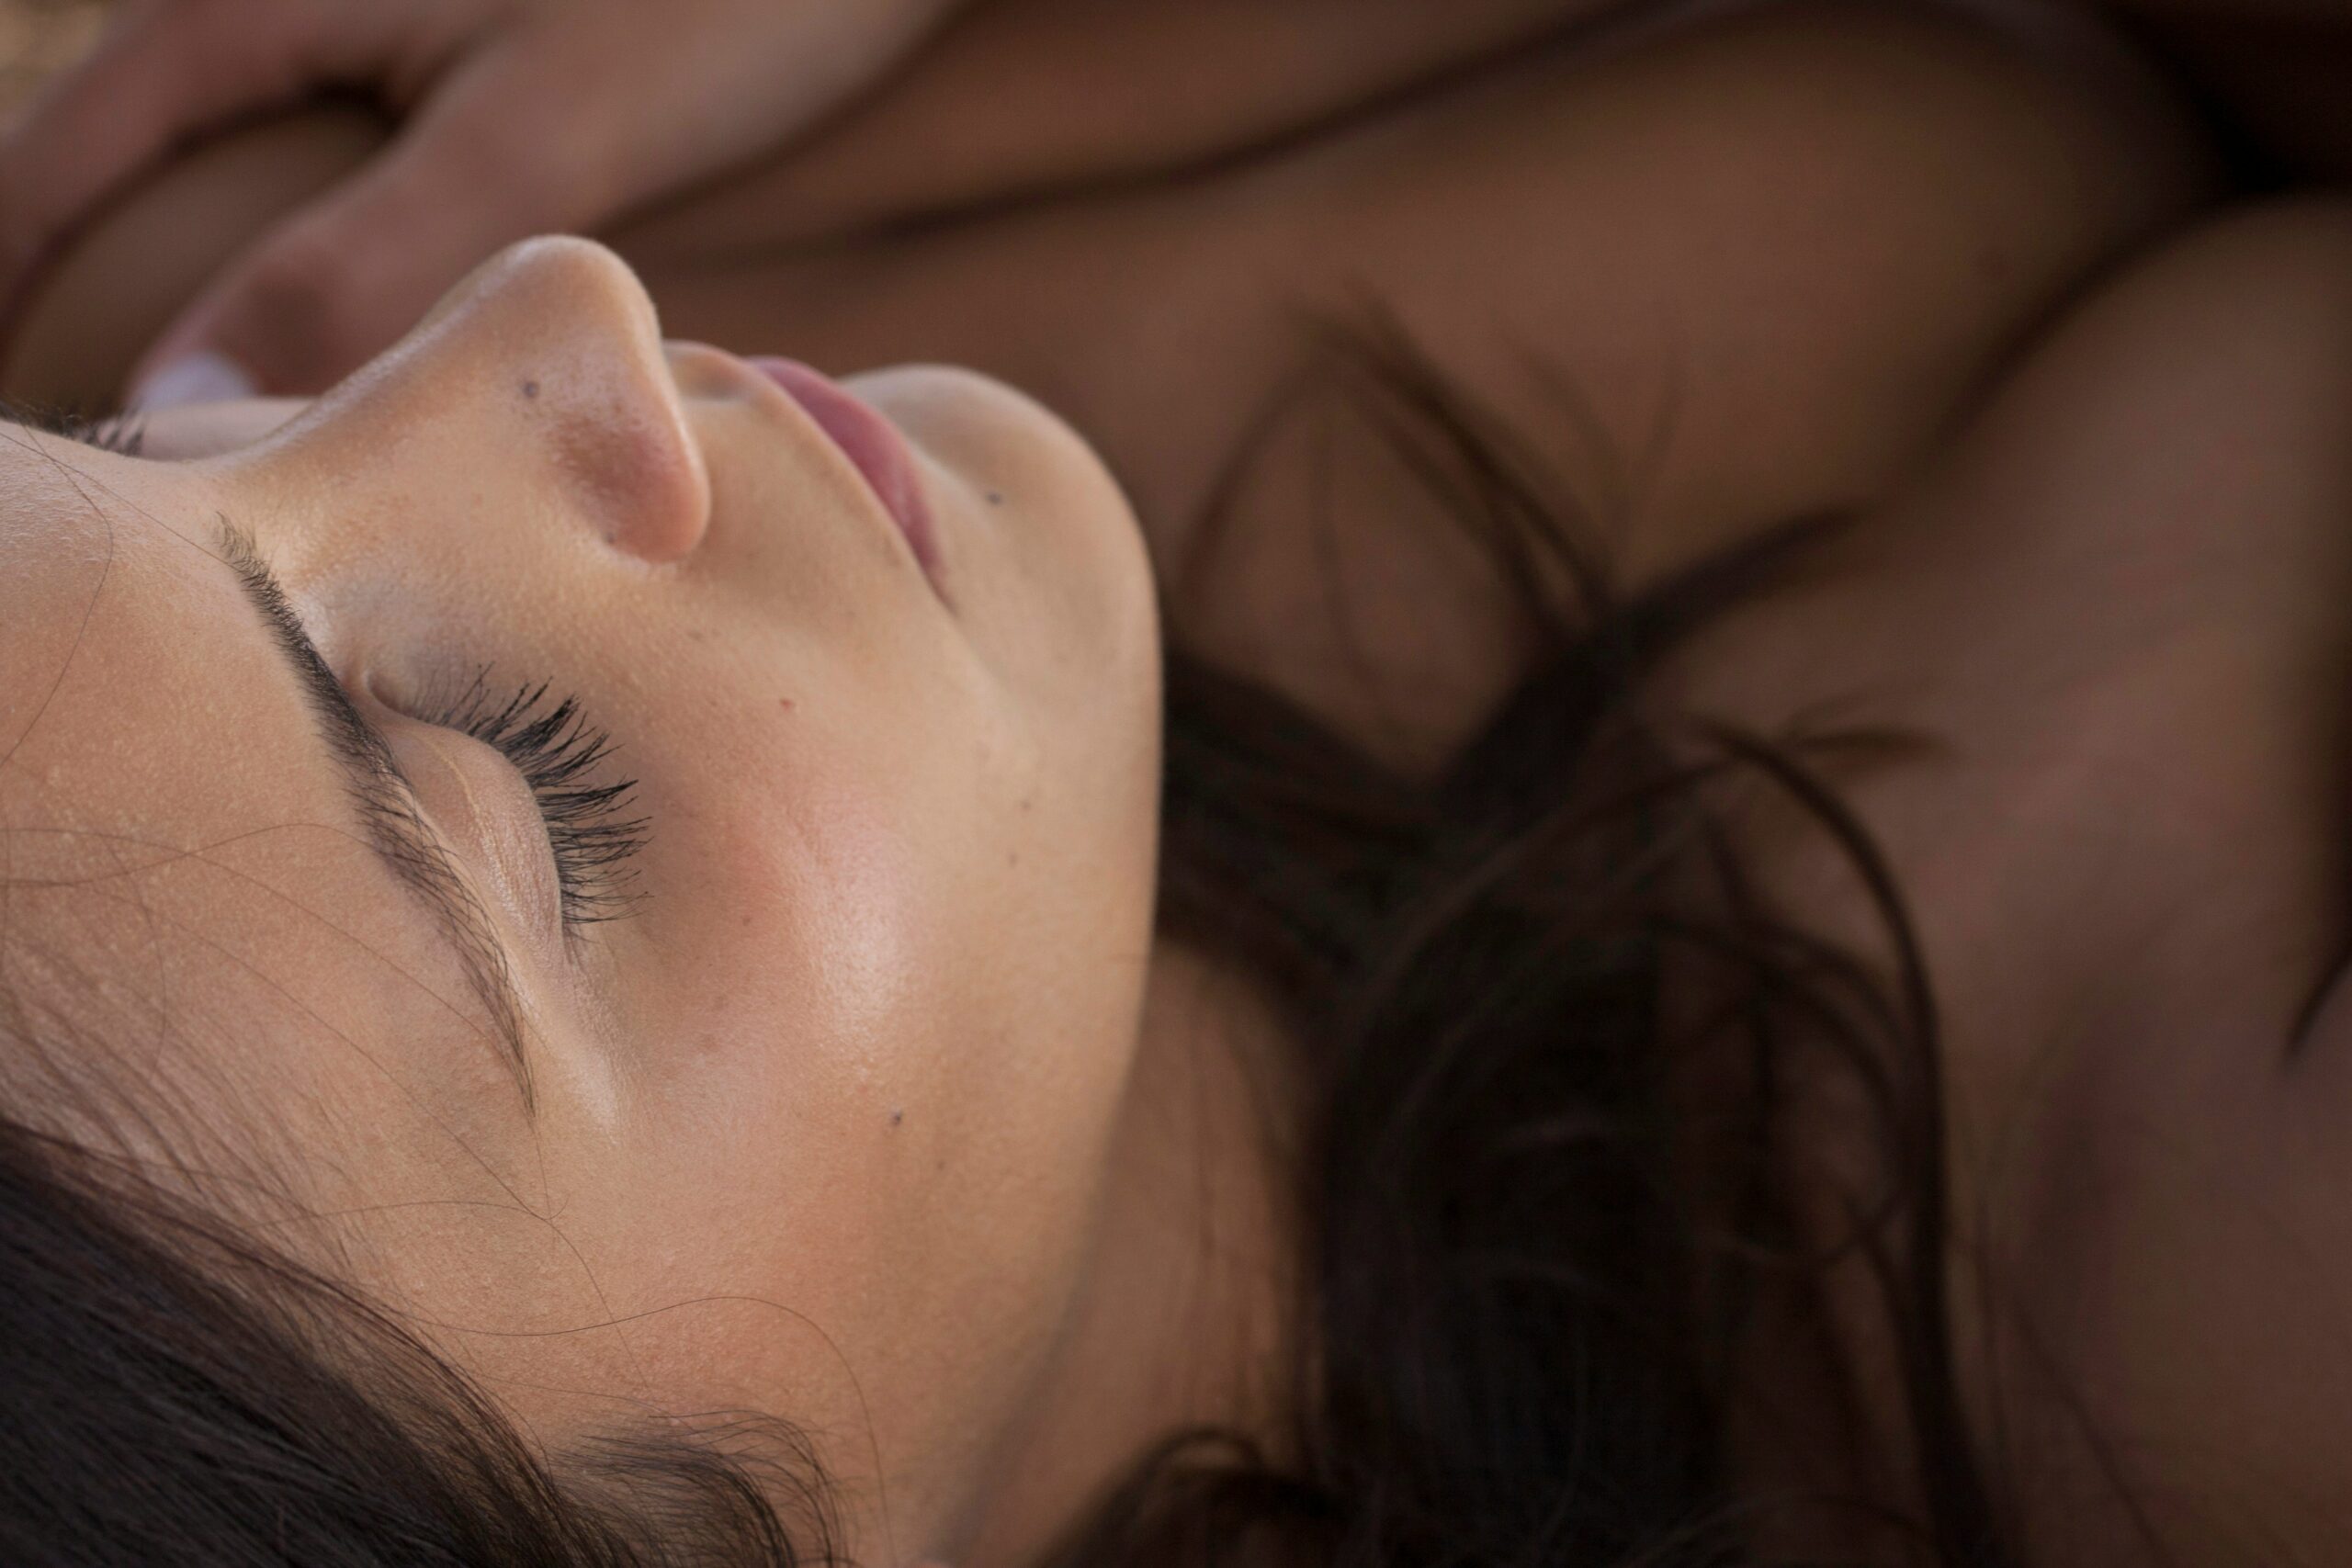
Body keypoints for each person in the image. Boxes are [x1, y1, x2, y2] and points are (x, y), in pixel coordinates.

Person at [0, 1, 2342, 1563]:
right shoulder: (2214, 1286)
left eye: (118, 459)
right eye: (521, 786)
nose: (542, 313)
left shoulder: (245, 280)